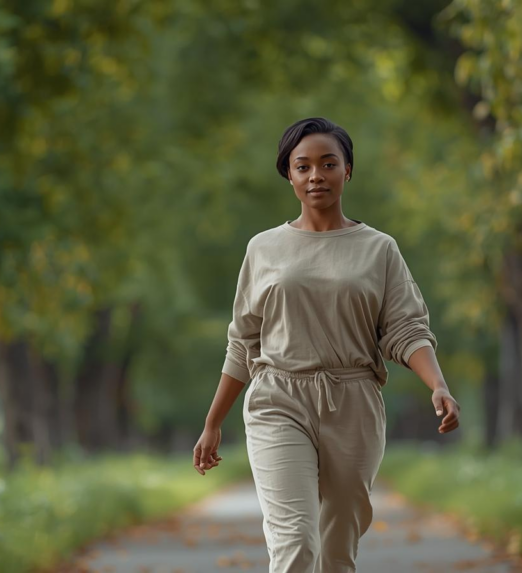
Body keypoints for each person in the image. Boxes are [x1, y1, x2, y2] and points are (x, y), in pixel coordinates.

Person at [193, 117, 461, 572]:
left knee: (336, 552)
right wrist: (213, 421)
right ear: (289, 175)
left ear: (347, 171)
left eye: (328, 163)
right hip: (278, 397)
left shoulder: (379, 250)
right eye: (303, 166)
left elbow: (406, 328)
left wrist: (437, 383)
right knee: (296, 542)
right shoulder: (263, 248)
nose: (316, 175)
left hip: (353, 402)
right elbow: (243, 342)